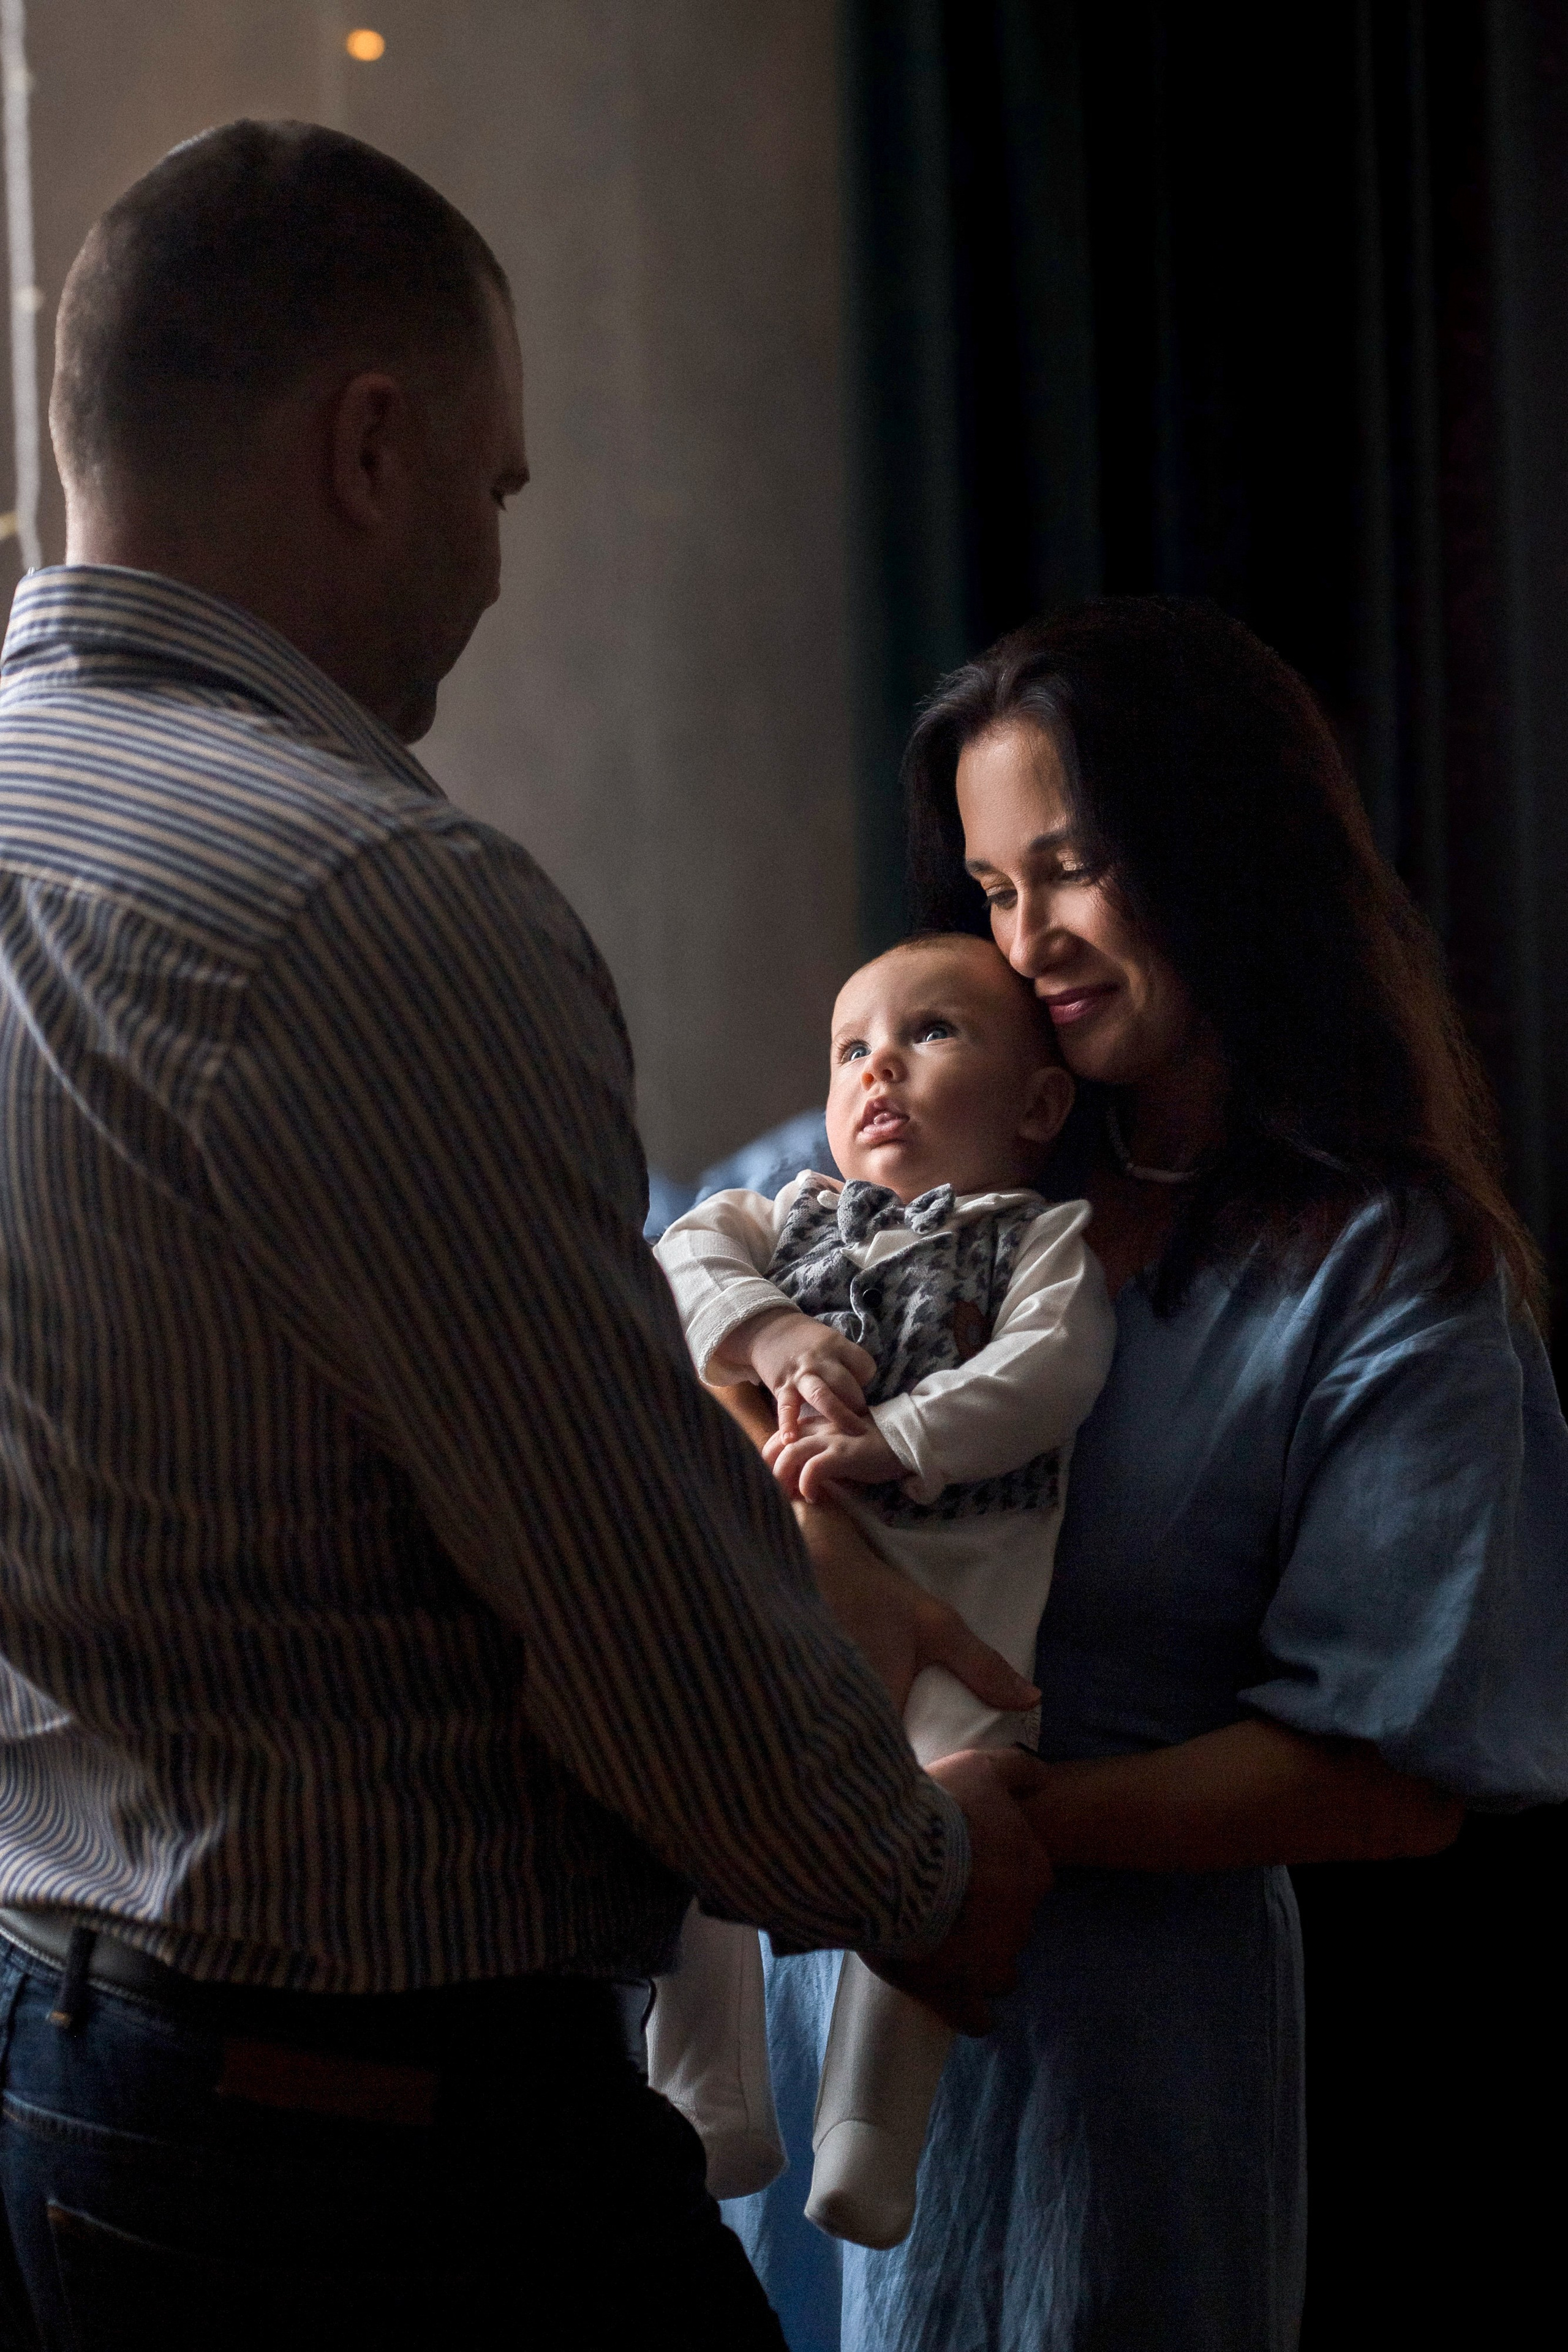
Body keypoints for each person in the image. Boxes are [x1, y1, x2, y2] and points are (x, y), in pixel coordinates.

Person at [0, 123, 1055, 2351]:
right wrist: (932, 1884)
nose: (493, 567)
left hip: (59, 2080)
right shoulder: (368, 904)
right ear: (370, 447)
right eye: (495, 491)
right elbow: (634, 1602)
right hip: (374, 2158)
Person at [718, 598, 1568, 2351]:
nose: (1025, 945)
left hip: (1114, 2048)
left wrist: (998, 1829)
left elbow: (1396, 1771)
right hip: (819, 1985)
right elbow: (663, 1301)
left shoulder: (1386, 1277)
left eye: (1074, 871)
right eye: (994, 889)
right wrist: (830, 1543)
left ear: (1226, 852)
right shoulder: (930, 1129)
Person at [647, 935, 1114, 2247]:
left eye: (931, 1036)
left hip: (970, 1634)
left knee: (937, 1847)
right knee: (700, 1800)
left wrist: (895, 1443)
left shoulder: (1040, 1238)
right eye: (852, 1046)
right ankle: (704, 2094)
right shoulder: (785, 1210)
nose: (877, 1071)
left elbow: (1048, 1373)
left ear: (1035, 1107)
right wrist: (773, 1333)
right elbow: (678, 1261)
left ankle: (869, 2132)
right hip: (781, 1616)